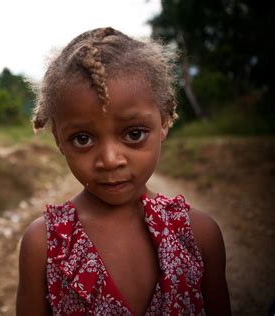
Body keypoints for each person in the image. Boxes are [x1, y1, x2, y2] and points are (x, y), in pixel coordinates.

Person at [16, 27, 231, 315]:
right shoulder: (44, 244)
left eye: (133, 134)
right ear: (58, 137)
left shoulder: (199, 235)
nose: (110, 159)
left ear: (165, 119)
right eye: (83, 138)